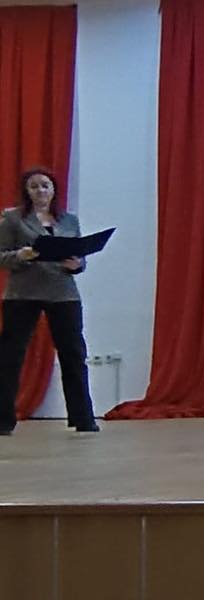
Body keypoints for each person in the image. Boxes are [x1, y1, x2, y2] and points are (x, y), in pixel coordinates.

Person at [0, 167, 99, 435]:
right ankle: (3, 420)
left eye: (45, 185)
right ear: (26, 191)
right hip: (23, 293)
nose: (40, 191)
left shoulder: (69, 220)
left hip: (62, 292)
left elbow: (79, 256)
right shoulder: (12, 218)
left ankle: (83, 418)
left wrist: (78, 264)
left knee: (74, 354)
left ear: (54, 190)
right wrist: (21, 255)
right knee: (10, 356)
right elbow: (1, 256)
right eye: (34, 186)